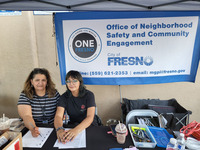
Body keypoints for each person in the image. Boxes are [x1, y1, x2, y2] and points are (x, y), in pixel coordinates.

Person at [54, 70, 96, 143]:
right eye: (68, 81)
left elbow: (90, 117)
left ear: (80, 82)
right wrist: (59, 130)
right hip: (73, 125)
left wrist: (76, 130)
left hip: (89, 126)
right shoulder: (64, 97)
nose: (71, 84)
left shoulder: (89, 95)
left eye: (74, 81)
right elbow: (58, 116)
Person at [17, 68, 60, 137]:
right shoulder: (25, 95)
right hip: (34, 129)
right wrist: (33, 128)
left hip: (52, 128)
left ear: (47, 82)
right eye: (37, 80)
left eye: (43, 80)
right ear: (32, 81)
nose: (40, 83)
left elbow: (60, 111)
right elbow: (26, 116)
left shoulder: (54, 93)